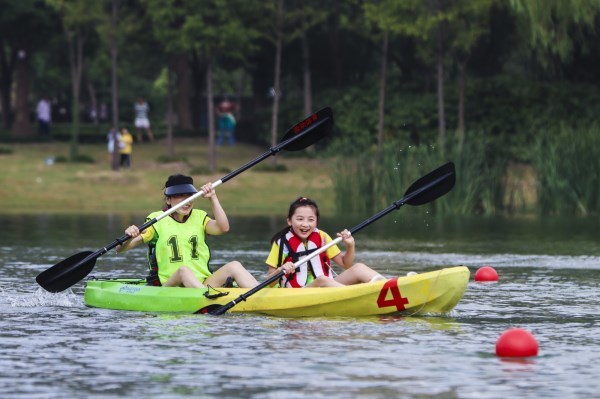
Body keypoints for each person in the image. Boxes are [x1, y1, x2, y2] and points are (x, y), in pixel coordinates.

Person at [117, 174, 259, 289]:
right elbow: (120, 249)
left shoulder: (199, 216)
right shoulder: (156, 220)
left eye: (190, 196)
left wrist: (213, 198)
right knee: (184, 271)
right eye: (180, 196)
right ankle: (209, 298)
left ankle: (262, 296)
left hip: (203, 283)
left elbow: (223, 228)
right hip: (171, 285)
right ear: (168, 199)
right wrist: (129, 236)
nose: (187, 201)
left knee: (234, 265)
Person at [266, 197, 384, 288]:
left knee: (359, 268)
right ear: (289, 221)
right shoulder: (281, 243)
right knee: (322, 280)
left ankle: (387, 287)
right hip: (300, 293)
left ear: (316, 222)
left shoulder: (323, 237)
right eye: (300, 219)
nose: (305, 224)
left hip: (327, 287)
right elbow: (270, 282)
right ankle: (361, 294)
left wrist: (350, 245)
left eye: (311, 220)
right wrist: (280, 270)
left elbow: (345, 264)